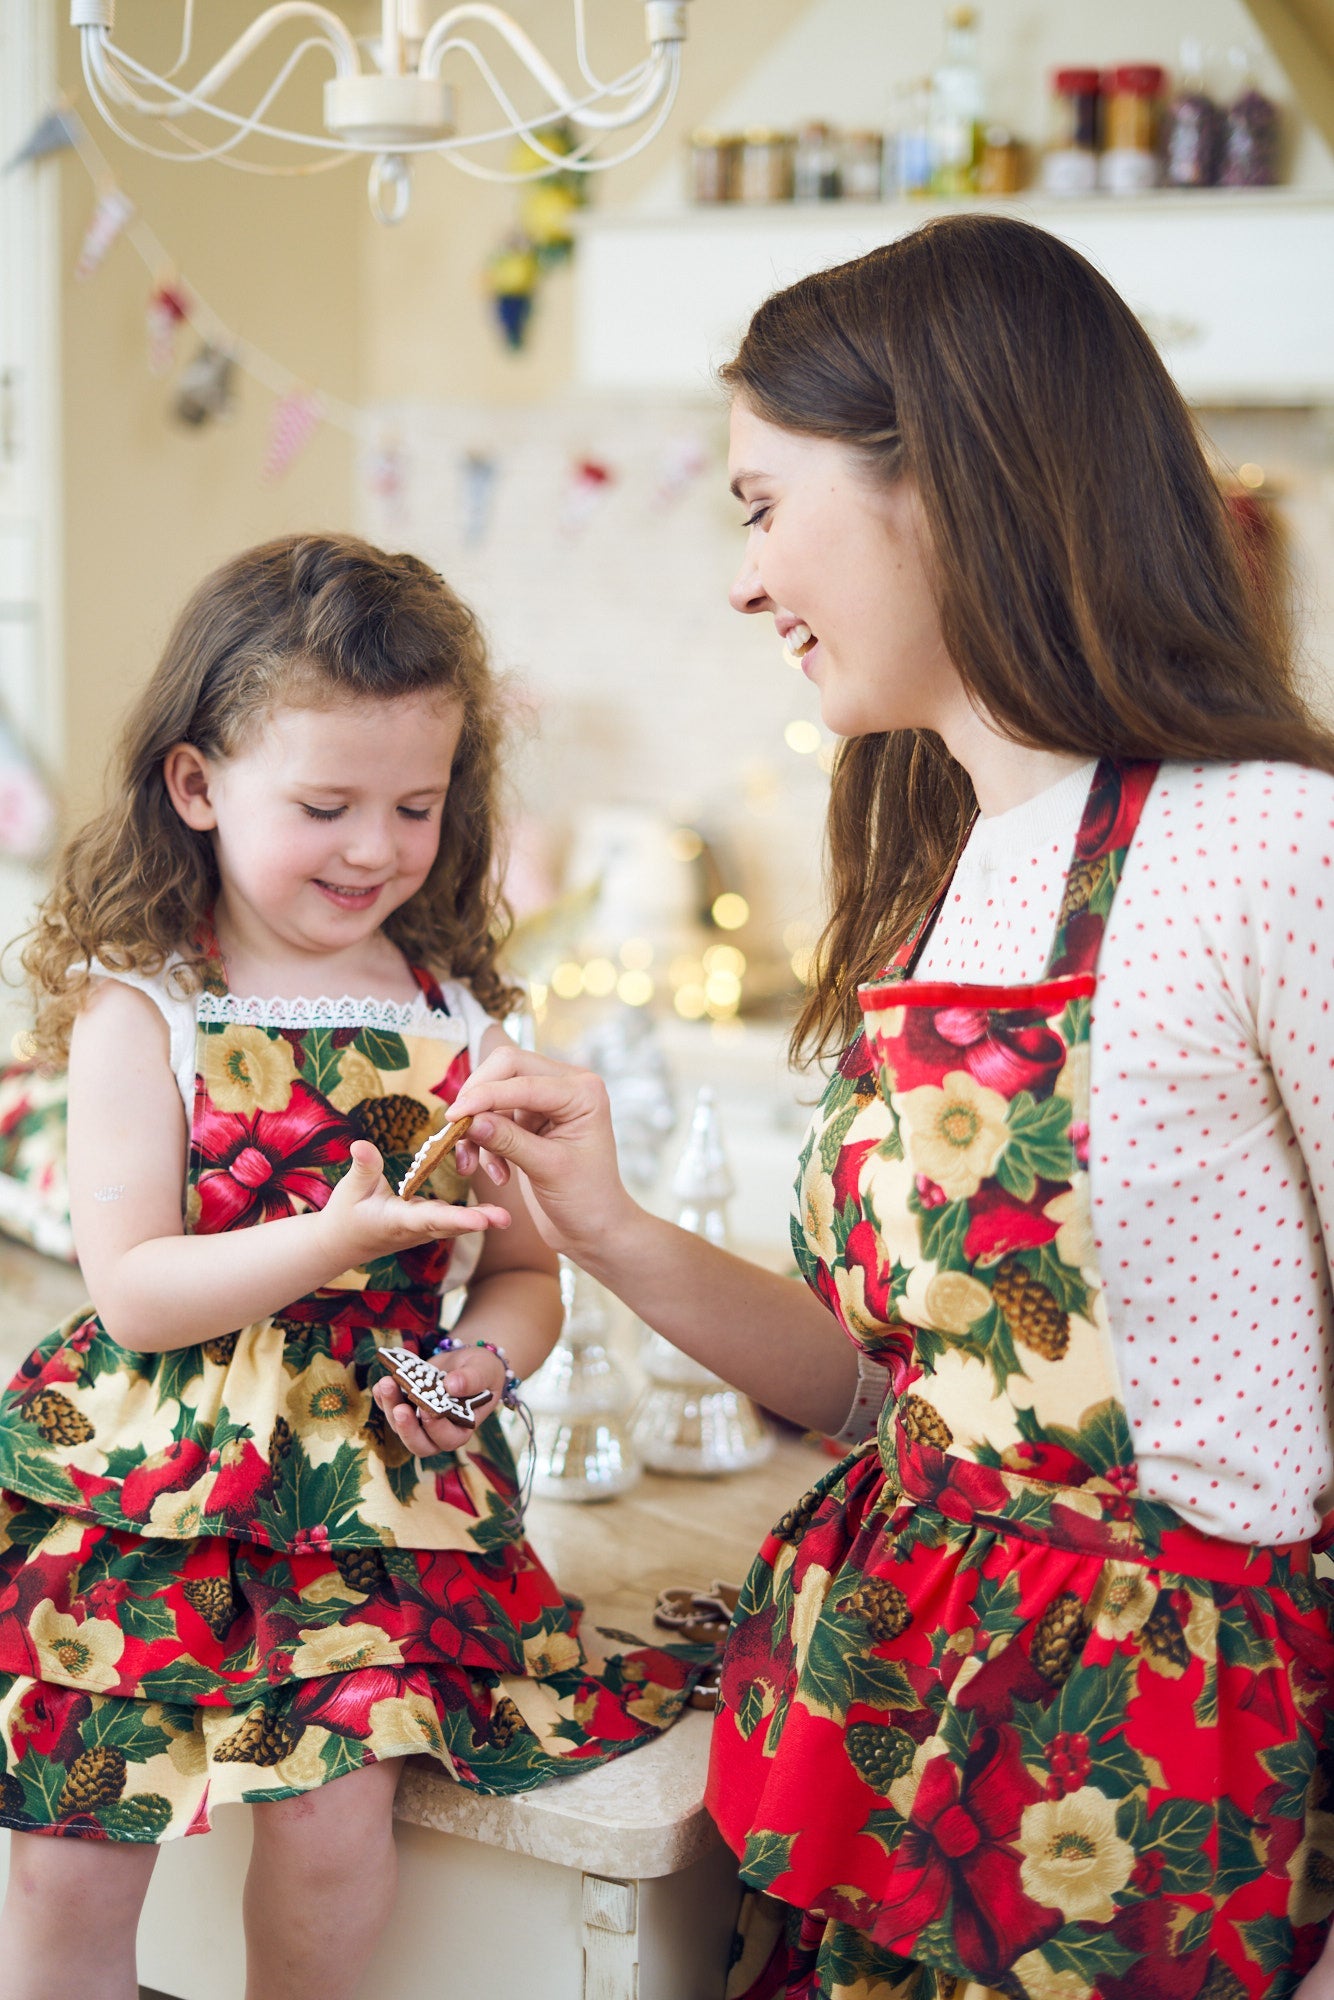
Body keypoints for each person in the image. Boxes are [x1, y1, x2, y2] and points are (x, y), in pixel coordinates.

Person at [442, 214, 1334, 2000]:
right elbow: (887, 1392)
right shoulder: (955, 866)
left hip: (1163, 1776)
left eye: (764, 506)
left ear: (950, 481)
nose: (741, 576)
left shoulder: (1269, 847)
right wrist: (606, 1233)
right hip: (902, 1753)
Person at [0, 534, 699, 2000]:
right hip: (153, 1492)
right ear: (196, 788)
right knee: (68, 1849)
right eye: (323, 806)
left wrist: (476, 1365)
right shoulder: (150, 1009)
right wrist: (329, 1240)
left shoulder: (457, 1012)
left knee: (334, 1815)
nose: (375, 847)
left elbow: (521, 1276)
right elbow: (131, 1289)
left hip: (371, 1499)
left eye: (416, 805)